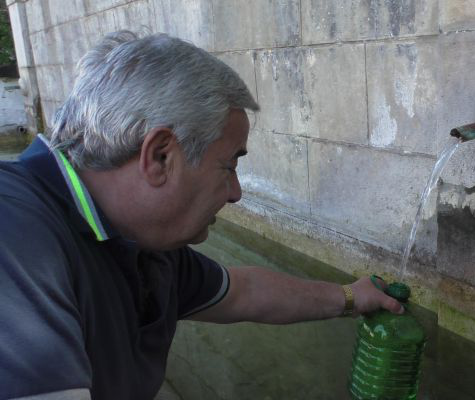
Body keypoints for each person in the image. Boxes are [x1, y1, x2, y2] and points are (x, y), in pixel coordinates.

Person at [0, 31, 403, 400]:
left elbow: (245, 293)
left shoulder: (146, 244)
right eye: (229, 165)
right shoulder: (15, 230)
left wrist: (352, 296)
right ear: (160, 156)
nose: (236, 193)